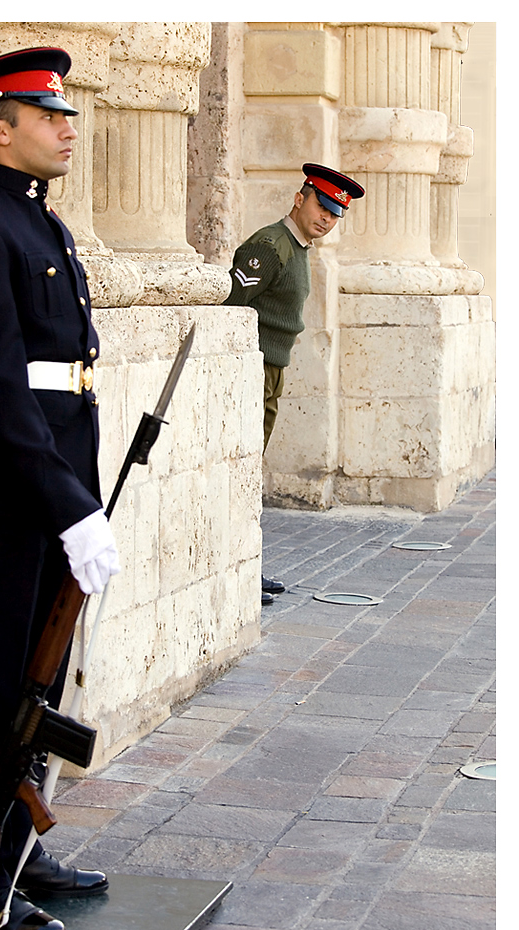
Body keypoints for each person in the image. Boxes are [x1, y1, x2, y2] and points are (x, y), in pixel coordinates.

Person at [0, 47, 120, 930]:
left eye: (66, 113)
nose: (67, 127)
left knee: (34, 690)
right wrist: (66, 500)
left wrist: (78, 494)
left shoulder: (44, 225)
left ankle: (15, 848)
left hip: (55, 478)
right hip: (9, 489)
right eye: (48, 116)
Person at [224, 164, 365, 605]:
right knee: (241, 466)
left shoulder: (298, 247)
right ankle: (235, 570)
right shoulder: (270, 246)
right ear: (300, 198)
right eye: (322, 206)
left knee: (251, 467)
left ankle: (246, 562)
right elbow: (229, 305)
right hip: (254, 369)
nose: (326, 218)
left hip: (271, 368)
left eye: (335, 215)